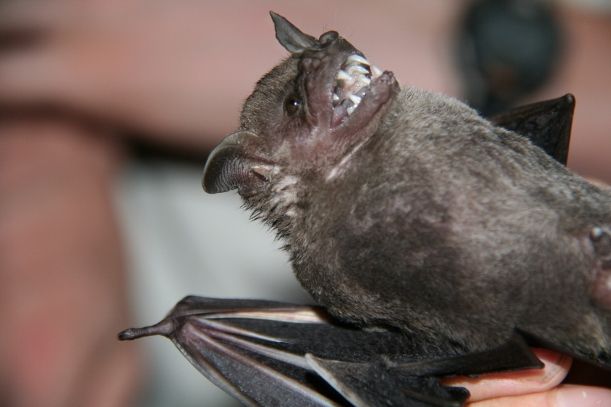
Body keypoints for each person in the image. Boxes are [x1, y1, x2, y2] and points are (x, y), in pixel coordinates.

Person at [0, 1, 609, 406]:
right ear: (264, 170)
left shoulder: (411, 125)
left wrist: (480, 39)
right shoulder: (334, 253)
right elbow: (54, 364)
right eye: (299, 108)